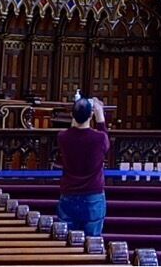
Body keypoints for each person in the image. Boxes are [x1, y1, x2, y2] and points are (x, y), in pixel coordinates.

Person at [57, 96, 110, 235]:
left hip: (69, 193)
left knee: (66, 240)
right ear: (91, 115)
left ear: (71, 115)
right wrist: (100, 117)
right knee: (92, 242)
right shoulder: (99, 138)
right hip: (93, 194)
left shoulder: (62, 137)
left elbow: (71, 133)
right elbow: (106, 142)